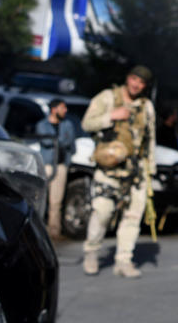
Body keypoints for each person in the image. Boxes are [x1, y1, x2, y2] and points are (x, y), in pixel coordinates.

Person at [81, 66, 156, 278]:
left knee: (133, 217)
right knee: (102, 212)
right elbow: (86, 123)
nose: (136, 85)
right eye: (134, 79)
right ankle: (91, 252)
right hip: (109, 168)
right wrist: (111, 116)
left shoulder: (146, 106)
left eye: (141, 83)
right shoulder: (107, 97)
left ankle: (124, 260)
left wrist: (150, 169)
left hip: (136, 170)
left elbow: (150, 139)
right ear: (127, 78)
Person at [35, 99, 77, 239]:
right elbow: (46, 141)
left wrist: (66, 159)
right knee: (40, 198)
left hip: (60, 165)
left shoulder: (67, 125)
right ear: (54, 109)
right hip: (47, 163)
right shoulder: (42, 125)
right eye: (62, 108)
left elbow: (70, 144)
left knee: (56, 201)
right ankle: (37, 229)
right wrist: (61, 141)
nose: (65, 111)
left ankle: (54, 231)